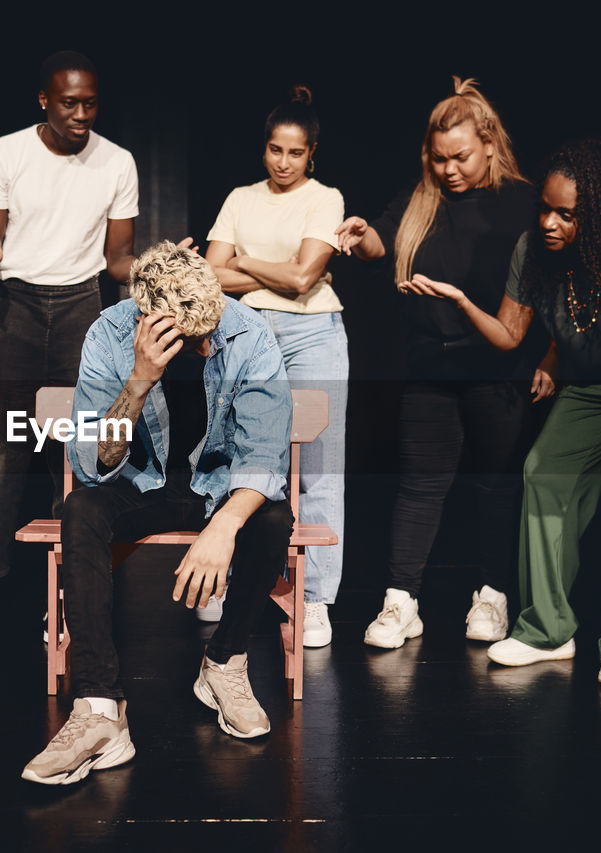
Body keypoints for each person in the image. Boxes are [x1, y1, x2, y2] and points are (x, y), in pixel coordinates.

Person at [403, 139, 601, 687]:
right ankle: (547, 629)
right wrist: (464, 302)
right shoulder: (533, 250)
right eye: (546, 207)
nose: (549, 222)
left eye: (568, 214)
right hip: (587, 390)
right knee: (544, 472)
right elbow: (511, 333)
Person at [20, 241, 294, 785]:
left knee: (271, 518)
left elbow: (265, 452)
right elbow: (93, 463)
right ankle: (99, 710)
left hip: (215, 484)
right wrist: (141, 379)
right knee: (83, 507)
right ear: (151, 322)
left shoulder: (249, 332)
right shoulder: (111, 333)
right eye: (196, 340)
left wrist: (222, 527)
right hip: (142, 483)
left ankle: (223, 662)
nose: (211, 343)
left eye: (212, 327)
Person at [335, 77, 542, 649]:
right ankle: (401, 602)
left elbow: (549, 286)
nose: (449, 169)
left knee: (496, 486)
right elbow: (381, 240)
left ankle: (492, 596)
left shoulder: (523, 203)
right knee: (420, 485)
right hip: (429, 365)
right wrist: (361, 235)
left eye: (461, 158)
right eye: (438, 157)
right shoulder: (421, 197)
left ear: (490, 145)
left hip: (498, 368)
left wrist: (548, 354)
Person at [0, 50, 139, 629]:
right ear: (44, 100)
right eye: (68, 103)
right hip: (17, 305)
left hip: (84, 306)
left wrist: (155, 267)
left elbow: (116, 263)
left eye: (89, 103)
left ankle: (70, 587)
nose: (80, 114)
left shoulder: (117, 162)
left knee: (81, 447)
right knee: (0, 447)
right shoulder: (4, 153)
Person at [202, 86, 345, 647]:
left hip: (314, 333)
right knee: (238, 454)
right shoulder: (240, 197)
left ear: (311, 153)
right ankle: (224, 580)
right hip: (245, 331)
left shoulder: (325, 198)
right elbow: (211, 275)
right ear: (264, 147)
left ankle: (314, 600)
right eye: (274, 150)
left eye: (295, 152)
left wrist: (244, 261)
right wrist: (277, 270)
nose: (283, 163)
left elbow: (306, 279)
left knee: (318, 466)